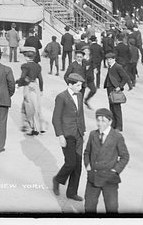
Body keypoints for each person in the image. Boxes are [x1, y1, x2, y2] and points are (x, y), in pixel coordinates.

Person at [83, 108, 130, 214]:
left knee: (111, 207)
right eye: (98, 120)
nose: (100, 123)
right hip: (93, 177)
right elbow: (87, 152)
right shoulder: (92, 134)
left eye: (103, 121)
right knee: (89, 206)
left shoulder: (117, 137)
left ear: (110, 121)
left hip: (109, 179)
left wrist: (115, 170)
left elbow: (125, 156)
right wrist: (88, 165)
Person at [52, 73, 87, 202]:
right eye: (78, 85)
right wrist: (60, 135)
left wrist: (83, 131)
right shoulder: (61, 97)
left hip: (78, 134)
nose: (80, 87)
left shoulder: (80, 95)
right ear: (70, 85)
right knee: (71, 162)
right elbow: (56, 118)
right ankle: (57, 179)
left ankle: (72, 192)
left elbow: (81, 115)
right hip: (67, 135)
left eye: (81, 85)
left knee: (78, 165)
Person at [16, 47, 47, 135]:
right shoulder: (37, 66)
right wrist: (41, 89)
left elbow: (23, 77)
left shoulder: (25, 66)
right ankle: (40, 126)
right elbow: (40, 79)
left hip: (28, 86)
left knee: (28, 106)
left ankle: (30, 127)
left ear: (26, 57)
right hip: (35, 85)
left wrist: (18, 84)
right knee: (37, 106)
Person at [103, 53, 131, 132]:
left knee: (116, 108)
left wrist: (120, 87)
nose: (108, 61)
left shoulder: (118, 67)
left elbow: (126, 77)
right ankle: (113, 124)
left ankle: (119, 126)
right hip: (109, 88)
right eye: (107, 59)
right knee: (111, 107)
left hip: (115, 89)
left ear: (114, 59)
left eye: (110, 59)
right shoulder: (110, 66)